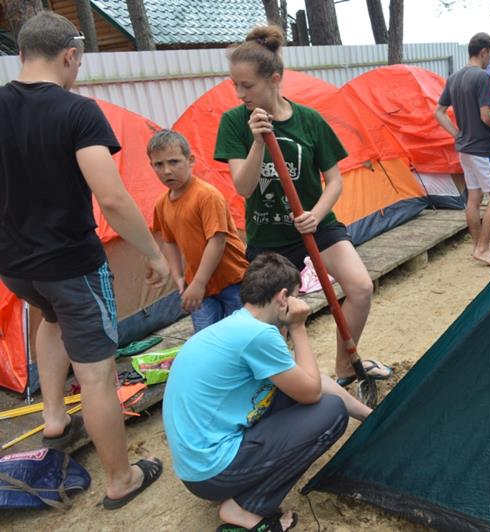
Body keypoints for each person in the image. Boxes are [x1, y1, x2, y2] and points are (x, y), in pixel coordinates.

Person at [0, 12, 169, 509]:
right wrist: (154, 253)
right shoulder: (78, 112)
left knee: (50, 320)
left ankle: (55, 418)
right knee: (96, 374)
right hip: (72, 264)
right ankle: (121, 479)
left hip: (15, 265)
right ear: (70, 55)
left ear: (22, 54)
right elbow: (112, 198)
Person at [214, 24, 391, 387]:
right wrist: (258, 141)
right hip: (268, 235)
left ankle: (345, 367)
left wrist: (316, 215)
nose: (239, 93)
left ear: (274, 79)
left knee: (360, 288)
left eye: (247, 85)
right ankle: (286, 385)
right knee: (270, 319)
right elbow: (244, 188)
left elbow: (335, 180)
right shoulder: (234, 122)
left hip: (315, 224)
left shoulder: (309, 120)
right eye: (235, 85)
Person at [163, 252, 372, 532]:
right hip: (213, 473)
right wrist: (297, 327)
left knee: (295, 390)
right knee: (331, 413)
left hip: (198, 468)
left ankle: (242, 485)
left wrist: (370, 416)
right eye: (296, 296)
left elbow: (306, 379)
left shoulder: (239, 326)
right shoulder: (258, 335)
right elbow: (311, 392)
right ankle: (246, 506)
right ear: (284, 298)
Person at [149, 130, 249, 332]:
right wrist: (179, 277)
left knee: (243, 334)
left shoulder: (206, 195)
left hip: (232, 280)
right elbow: (169, 241)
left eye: (174, 162)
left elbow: (217, 240)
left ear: (190, 160)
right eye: (159, 164)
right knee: (206, 337)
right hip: (199, 285)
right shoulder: (161, 204)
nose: (167, 171)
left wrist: (198, 283)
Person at [434, 32, 490, 268]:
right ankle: (483, 249)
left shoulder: (454, 78)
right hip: (484, 147)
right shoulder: (481, 77)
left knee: (474, 198)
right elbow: (486, 115)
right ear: (483, 52)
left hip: (465, 148)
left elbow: (438, 112)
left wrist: (457, 134)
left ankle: (477, 246)